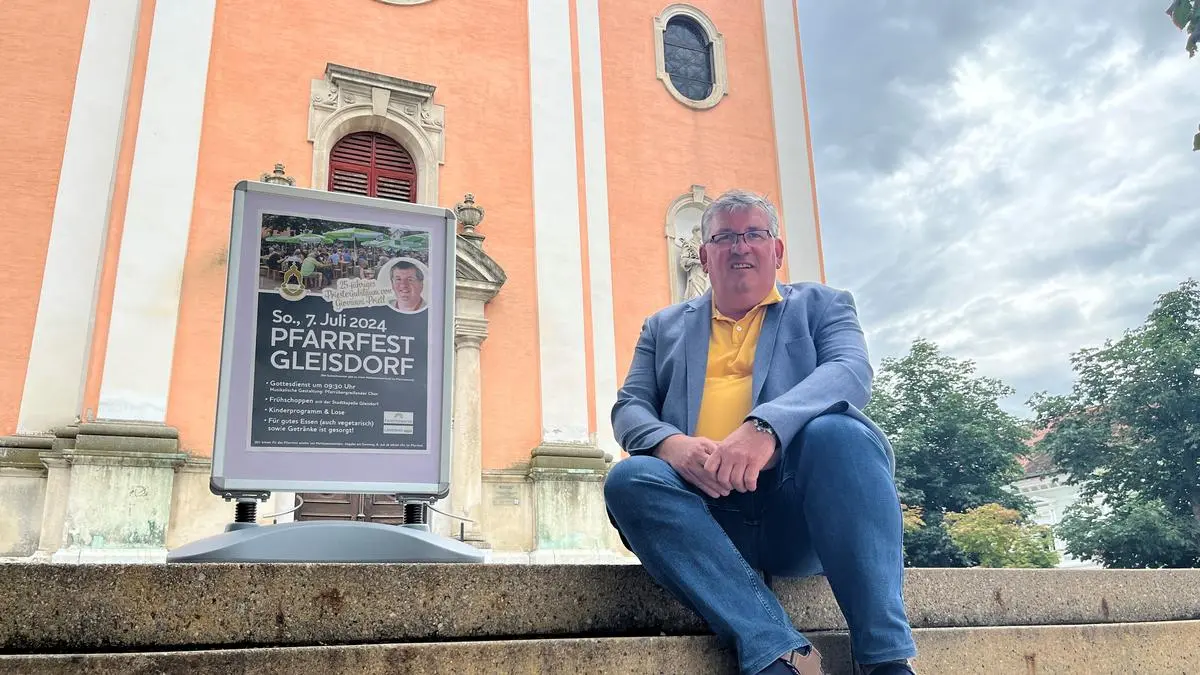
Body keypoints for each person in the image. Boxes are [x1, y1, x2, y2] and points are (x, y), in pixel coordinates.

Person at [604, 189, 917, 675]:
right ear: (704, 256)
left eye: (754, 233)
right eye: (724, 237)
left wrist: (767, 427)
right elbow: (630, 407)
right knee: (630, 478)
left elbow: (850, 371)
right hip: (703, 520)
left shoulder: (822, 305)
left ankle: (886, 659)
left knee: (841, 433)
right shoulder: (661, 327)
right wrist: (672, 445)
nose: (740, 246)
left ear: (777, 250)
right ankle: (778, 650)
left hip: (798, 513)